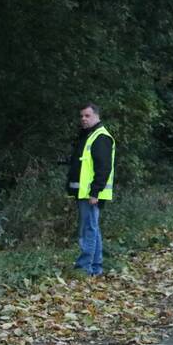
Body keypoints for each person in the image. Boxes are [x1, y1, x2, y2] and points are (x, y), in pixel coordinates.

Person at [73, 102, 115, 275]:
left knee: (88, 230)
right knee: (93, 228)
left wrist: (94, 192)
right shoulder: (90, 135)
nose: (83, 119)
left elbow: (103, 167)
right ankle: (96, 268)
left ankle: (84, 268)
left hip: (92, 194)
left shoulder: (100, 137)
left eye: (87, 115)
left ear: (97, 116)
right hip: (87, 192)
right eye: (81, 116)